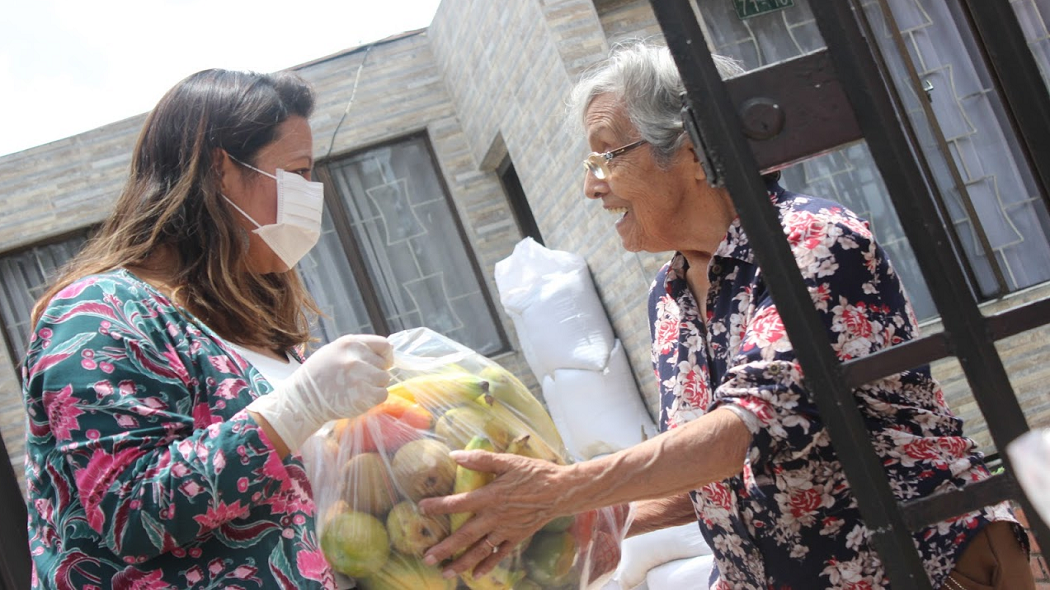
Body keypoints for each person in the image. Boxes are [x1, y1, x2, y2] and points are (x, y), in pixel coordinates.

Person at [417, 42, 1034, 590]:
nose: (592, 186)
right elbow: (715, 478)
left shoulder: (809, 243)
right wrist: (591, 521)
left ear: (689, 149)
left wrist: (561, 489)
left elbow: (738, 433)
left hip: (924, 560)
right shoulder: (670, 294)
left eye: (606, 156)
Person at [22, 69, 393, 589]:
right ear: (220, 169)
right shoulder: (99, 312)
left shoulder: (246, 322)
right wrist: (300, 406)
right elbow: (131, 511)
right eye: (298, 172)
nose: (312, 194)